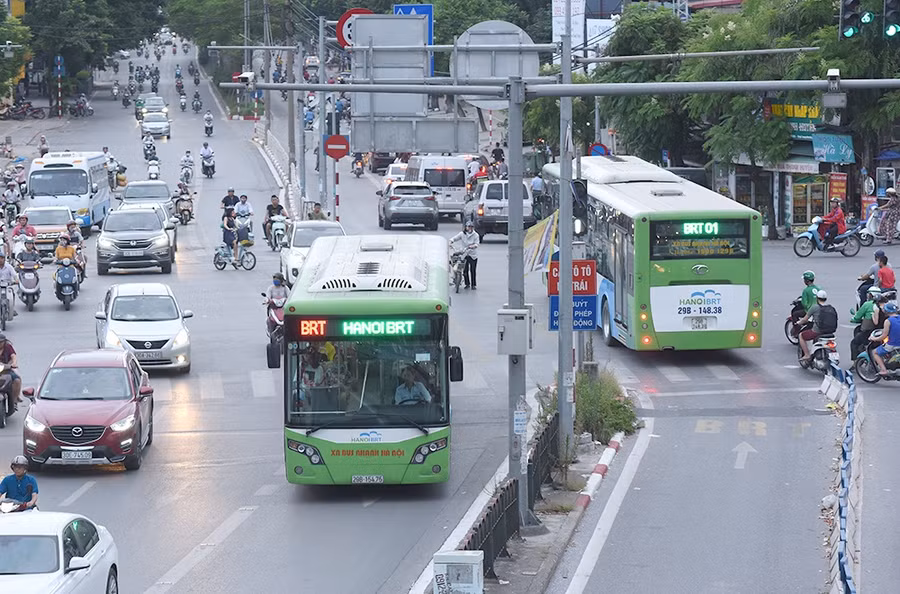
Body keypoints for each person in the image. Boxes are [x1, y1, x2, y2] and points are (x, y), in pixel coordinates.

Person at [796, 290, 838, 362]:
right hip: (830, 332)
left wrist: (799, 323)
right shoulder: (830, 308)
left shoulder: (814, 307)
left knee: (801, 336)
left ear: (817, 298)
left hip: (817, 331)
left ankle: (807, 354)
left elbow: (805, 319)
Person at [851, 287, 881, 359]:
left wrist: (853, 319)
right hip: (882, 331)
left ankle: (855, 362)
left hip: (869, 332)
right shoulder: (884, 304)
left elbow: (857, 317)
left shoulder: (867, 304)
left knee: (854, 343)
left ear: (871, 295)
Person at [451, 222, 480, 289]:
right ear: (466, 227)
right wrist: (451, 241)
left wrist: (473, 246)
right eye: (468, 227)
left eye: (471, 227)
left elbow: (477, 244)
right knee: (465, 270)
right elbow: (455, 238)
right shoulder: (462, 234)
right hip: (464, 254)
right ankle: (467, 284)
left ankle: (473, 285)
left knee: (473, 270)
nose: (470, 228)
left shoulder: (476, 235)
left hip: (473, 255)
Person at [873, 303, 900, 375]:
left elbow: (884, 336)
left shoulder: (888, 321)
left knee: (875, 353)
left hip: (893, 344)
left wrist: (874, 338)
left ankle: (884, 370)